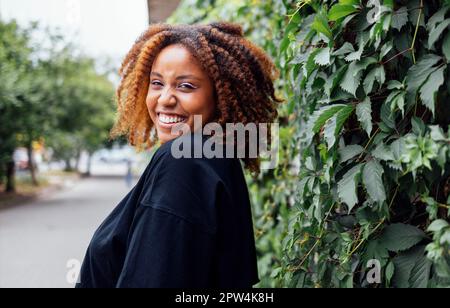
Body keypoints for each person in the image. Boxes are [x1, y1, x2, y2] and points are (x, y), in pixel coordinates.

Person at [76, 22, 282, 288]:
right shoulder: (215, 158)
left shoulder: (184, 162)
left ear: (220, 96)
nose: (165, 99)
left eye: (185, 86)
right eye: (157, 83)